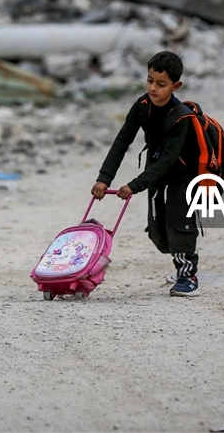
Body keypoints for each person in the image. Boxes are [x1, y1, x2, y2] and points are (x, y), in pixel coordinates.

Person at [91, 51, 202, 297]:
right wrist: (104, 178)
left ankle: (187, 275)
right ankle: (179, 259)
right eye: (149, 80)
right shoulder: (142, 106)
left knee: (180, 227)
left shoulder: (181, 117)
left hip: (183, 177)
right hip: (155, 176)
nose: (153, 88)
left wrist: (134, 185)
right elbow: (122, 142)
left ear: (176, 86)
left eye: (161, 84)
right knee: (158, 233)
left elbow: (168, 160)